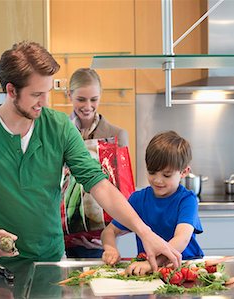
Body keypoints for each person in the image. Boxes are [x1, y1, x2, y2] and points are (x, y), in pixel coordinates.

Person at [0, 41, 181, 270]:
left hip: (50, 258)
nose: (45, 102)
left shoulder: (59, 127)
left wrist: (145, 232)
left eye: (48, 92)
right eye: (37, 94)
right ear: (11, 91)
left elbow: (98, 184)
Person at [101, 130, 204, 275]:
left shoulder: (187, 200)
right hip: (149, 271)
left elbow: (182, 238)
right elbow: (109, 231)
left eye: (166, 175)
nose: (157, 180)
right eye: (152, 172)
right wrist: (110, 248)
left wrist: (151, 263)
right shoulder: (137, 199)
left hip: (185, 268)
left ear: (184, 172)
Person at [64, 68, 129, 258]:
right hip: (60, 235)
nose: (88, 106)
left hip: (101, 238)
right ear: (70, 95)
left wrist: (112, 234)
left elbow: (123, 190)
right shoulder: (59, 132)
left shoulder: (116, 135)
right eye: (81, 99)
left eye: (94, 99)